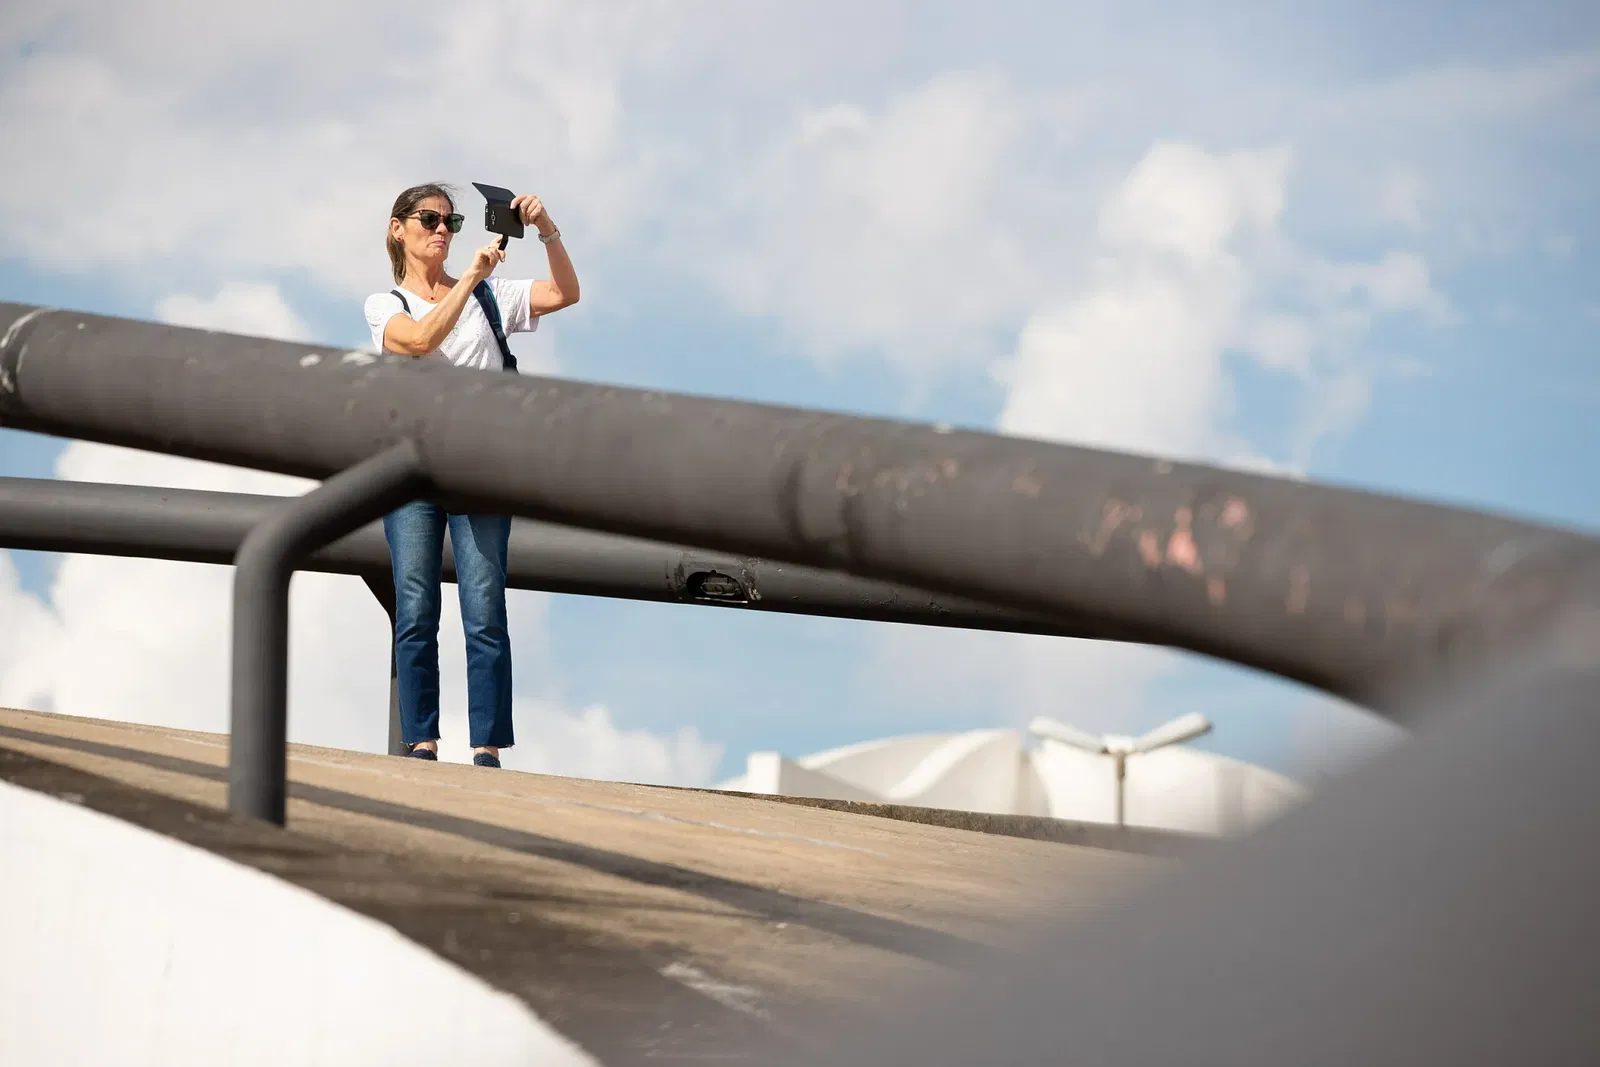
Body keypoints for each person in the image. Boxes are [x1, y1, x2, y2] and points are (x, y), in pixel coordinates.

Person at [363, 182, 579, 767]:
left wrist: (547, 229)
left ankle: (486, 747)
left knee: (485, 611)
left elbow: (565, 292)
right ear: (398, 228)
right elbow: (420, 340)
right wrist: (469, 280)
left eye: (451, 222)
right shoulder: (387, 306)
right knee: (416, 609)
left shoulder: (490, 295)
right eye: (430, 219)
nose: (442, 230)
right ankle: (422, 742)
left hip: (481, 470)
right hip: (413, 474)